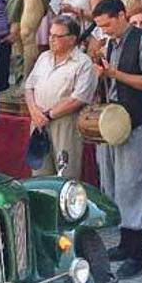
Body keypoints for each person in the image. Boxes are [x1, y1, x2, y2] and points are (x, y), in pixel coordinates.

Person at [92, 0, 142, 279]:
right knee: (118, 187)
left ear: (122, 15)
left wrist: (114, 73)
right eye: (100, 27)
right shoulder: (112, 43)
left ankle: (138, 254)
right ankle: (124, 244)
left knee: (135, 188)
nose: (105, 31)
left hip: (138, 124)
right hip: (117, 125)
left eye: (108, 25)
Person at [25, 15, 96, 178]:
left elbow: (79, 98)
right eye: (51, 35)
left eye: (58, 36)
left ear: (72, 39)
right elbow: (29, 87)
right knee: (40, 172)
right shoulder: (44, 57)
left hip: (65, 123)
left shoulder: (83, 63)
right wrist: (34, 112)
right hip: (38, 122)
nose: (52, 39)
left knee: (66, 172)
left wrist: (49, 115)